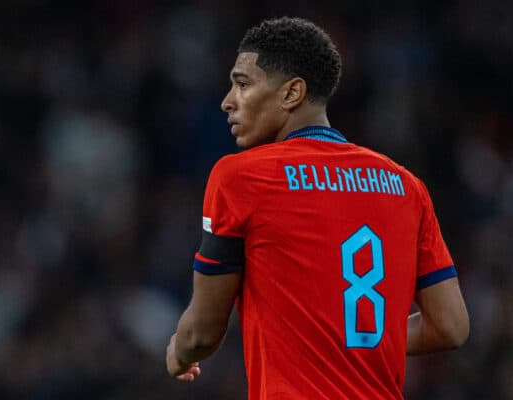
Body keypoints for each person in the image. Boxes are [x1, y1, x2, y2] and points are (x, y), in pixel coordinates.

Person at [166, 17, 469, 399]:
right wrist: (346, 342)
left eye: (243, 84)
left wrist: (178, 352)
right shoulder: (407, 187)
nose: (228, 100)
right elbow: (451, 326)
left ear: (291, 93)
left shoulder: (241, 177)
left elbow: (203, 332)